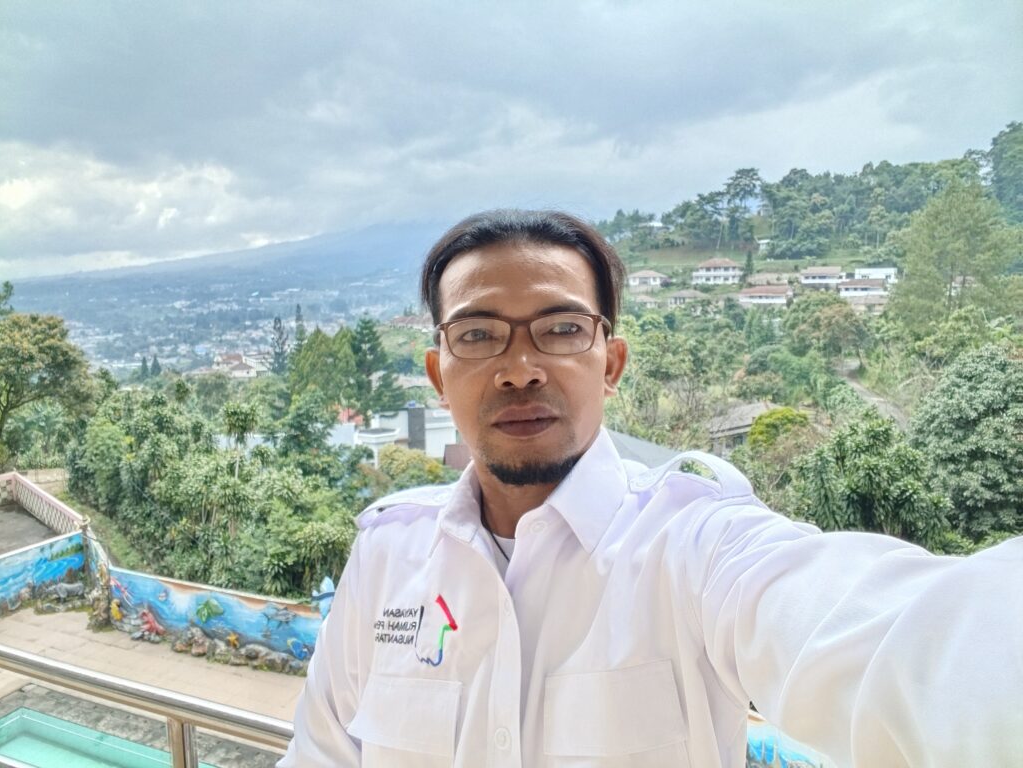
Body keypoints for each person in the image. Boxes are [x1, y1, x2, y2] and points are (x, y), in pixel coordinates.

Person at [279, 209, 1022, 767]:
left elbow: (899, 641)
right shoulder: (387, 557)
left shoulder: (696, 545)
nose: (519, 369)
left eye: (561, 329)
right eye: (477, 335)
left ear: (611, 363)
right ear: (438, 375)